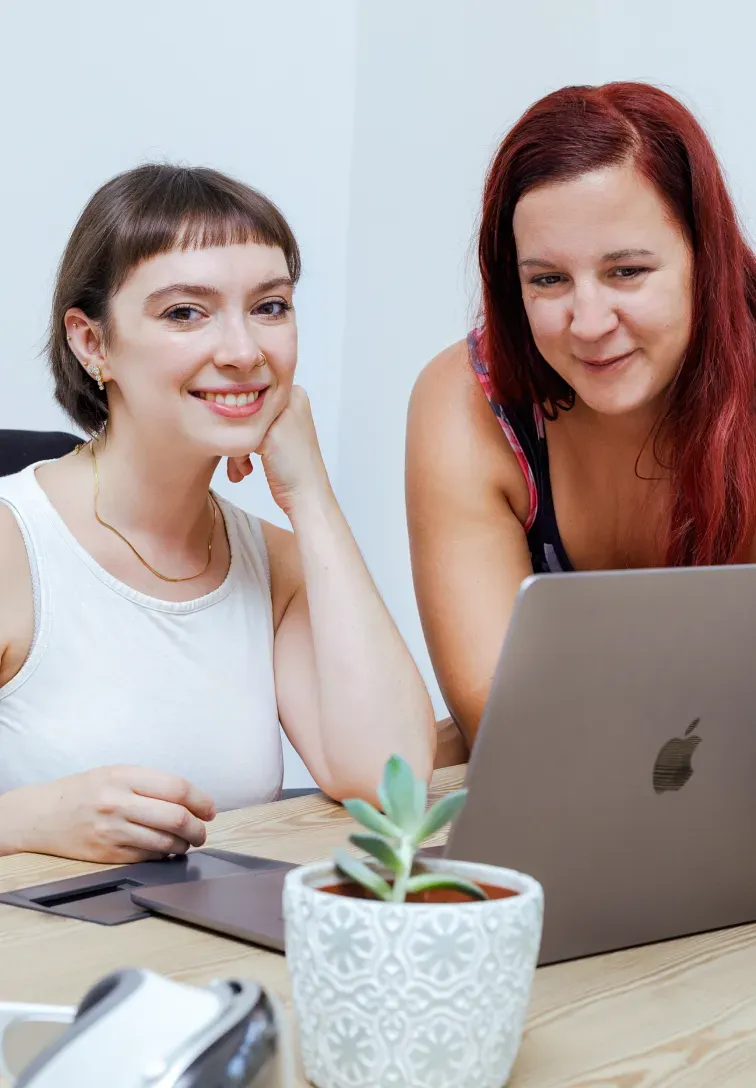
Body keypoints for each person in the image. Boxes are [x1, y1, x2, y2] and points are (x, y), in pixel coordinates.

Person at [0, 164, 436, 862]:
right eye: (184, 313)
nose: (243, 352)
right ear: (93, 344)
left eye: (269, 307)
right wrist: (30, 820)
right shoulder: (14, 544)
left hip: (213, 961)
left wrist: (311, 495)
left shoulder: (275, 563)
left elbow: (393, 784)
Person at [407, 81, 756, 748]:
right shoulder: (468, 401)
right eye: (548, 279)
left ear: (704, 260)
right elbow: (503, 721)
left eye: (627, 271)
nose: (589, 324)